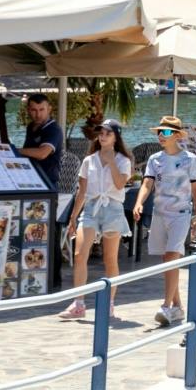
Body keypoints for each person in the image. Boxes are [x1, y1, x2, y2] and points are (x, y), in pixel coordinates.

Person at [132, 116, 196, 328]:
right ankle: (178, 306)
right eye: (159, 132)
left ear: (178, 135)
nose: (162, 136)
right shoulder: (155, 159)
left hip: (181, 213)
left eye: (167, 132)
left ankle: (165, 305)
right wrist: (139, 202)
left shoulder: (190, 159)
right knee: (167, 259)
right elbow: (147, 184)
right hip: (160, 213)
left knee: (172, 255)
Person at [62, 120, 132, 321]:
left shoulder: (122, 160)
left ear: (116, 137)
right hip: (92, 208)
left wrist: (110, 162)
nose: (103, 136)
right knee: (79, 253)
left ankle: (109, 303)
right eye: (101, 133)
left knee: (109, 258)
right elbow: (82, 191)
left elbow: (120, 185)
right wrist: (74, 216)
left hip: (112, 208)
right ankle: (78, 302)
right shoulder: (88, 160)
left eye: (108, 133)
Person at [16, 93, 63, 191]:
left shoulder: (53, 129)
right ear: (28, 110)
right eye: (34, 110)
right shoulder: (31, 127)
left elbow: (42, 153)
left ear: (49, 109)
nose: (38, 115)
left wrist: (17, 150)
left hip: (47, 182)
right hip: (29, 179)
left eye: (42, 110)